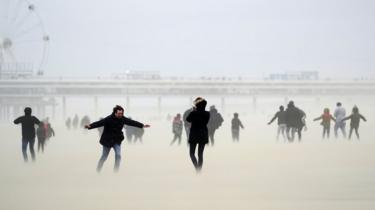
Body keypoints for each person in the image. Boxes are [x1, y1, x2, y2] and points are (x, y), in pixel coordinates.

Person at [85, 105, 150, 172]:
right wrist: (90, 126)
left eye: (121, 113)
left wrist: (142, 125)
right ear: (115, 113)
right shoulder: (108, 119)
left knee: (118, 155)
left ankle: (116, 171)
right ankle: (98, 170)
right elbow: (99, 123)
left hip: (117, 140)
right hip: (107, 140)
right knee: (104, 157)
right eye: (119, 113)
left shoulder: (123, 119)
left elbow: (132, 122)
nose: (120, 115)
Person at [187, 97, 210, 172]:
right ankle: (199, 170)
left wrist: (193, 111)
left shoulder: (194, 113)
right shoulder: (207, 113)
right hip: (203, 134)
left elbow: (188, 120)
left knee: (191, 154)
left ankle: (196, 168)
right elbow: (206, 122)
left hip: (194, 134)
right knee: (200, 154)